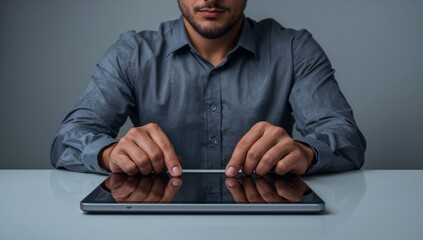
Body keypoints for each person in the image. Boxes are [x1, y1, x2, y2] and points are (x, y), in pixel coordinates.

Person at [51, 0, 366, 178]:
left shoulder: (294, 49)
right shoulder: (132, 53)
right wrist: (109, 154)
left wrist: (306, 152)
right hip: (157, 227)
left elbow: (347, 137)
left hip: (267, 225)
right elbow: (68, 138)